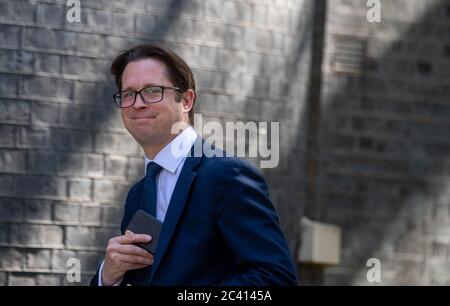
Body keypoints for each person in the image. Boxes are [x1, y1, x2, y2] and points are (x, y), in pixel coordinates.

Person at [90, 43, 298, 286]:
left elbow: (276, 278)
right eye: (128, 94)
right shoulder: (137, 194)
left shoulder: (227, 174)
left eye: (152, 91)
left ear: (187, 100)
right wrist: (109, 277)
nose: (138, 103)